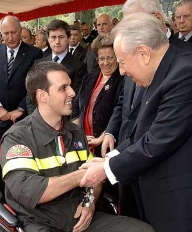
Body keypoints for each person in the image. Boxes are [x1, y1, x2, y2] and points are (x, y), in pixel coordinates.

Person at [0, 61, 155, 232]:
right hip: (40, 223)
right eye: (63, 88)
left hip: (80, 217)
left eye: (70, 86)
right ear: (42, 96)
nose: (73, 93)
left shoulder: (76, 132)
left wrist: (90, 202)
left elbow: (96, 180)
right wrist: (83, 175)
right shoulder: (17, 138)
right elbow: (33, 192)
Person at [79, 12, 192, 232]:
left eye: (121, 61)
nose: (121, 70)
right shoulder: (159, 72)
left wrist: (107, 169)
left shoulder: (184, 74)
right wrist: (109, 158)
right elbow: (139, 131)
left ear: (143, 53)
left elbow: (158, 140)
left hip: (176, 202)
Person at [72, 34, 123, 158]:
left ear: (117, 57)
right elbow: (76, 108)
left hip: (108, 145)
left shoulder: (123, 80)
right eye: (101, 58)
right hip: (84, 144)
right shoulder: (88, 79)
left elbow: (121, 112)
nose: (105, 63)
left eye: (110, 58)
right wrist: (80, 134)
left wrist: (101, 138)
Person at [0, 16, 42, 141]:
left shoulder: (35, 53)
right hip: (2, 117)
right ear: (1, 33)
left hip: (26, 118)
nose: (10, 37)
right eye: (6, 33)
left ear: (20, 31)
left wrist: (21, 109)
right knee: (5, 155)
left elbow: (36, 86)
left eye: (13, 32)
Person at [26, 19, 87, 114]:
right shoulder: (38, 63)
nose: (57, 42)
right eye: (53, 37)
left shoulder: (79, 66)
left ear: (68, 38)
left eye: (61, 37)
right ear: (48, 39)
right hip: (39, 119)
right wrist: (38, 117)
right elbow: (31, 95)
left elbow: (76, 99)